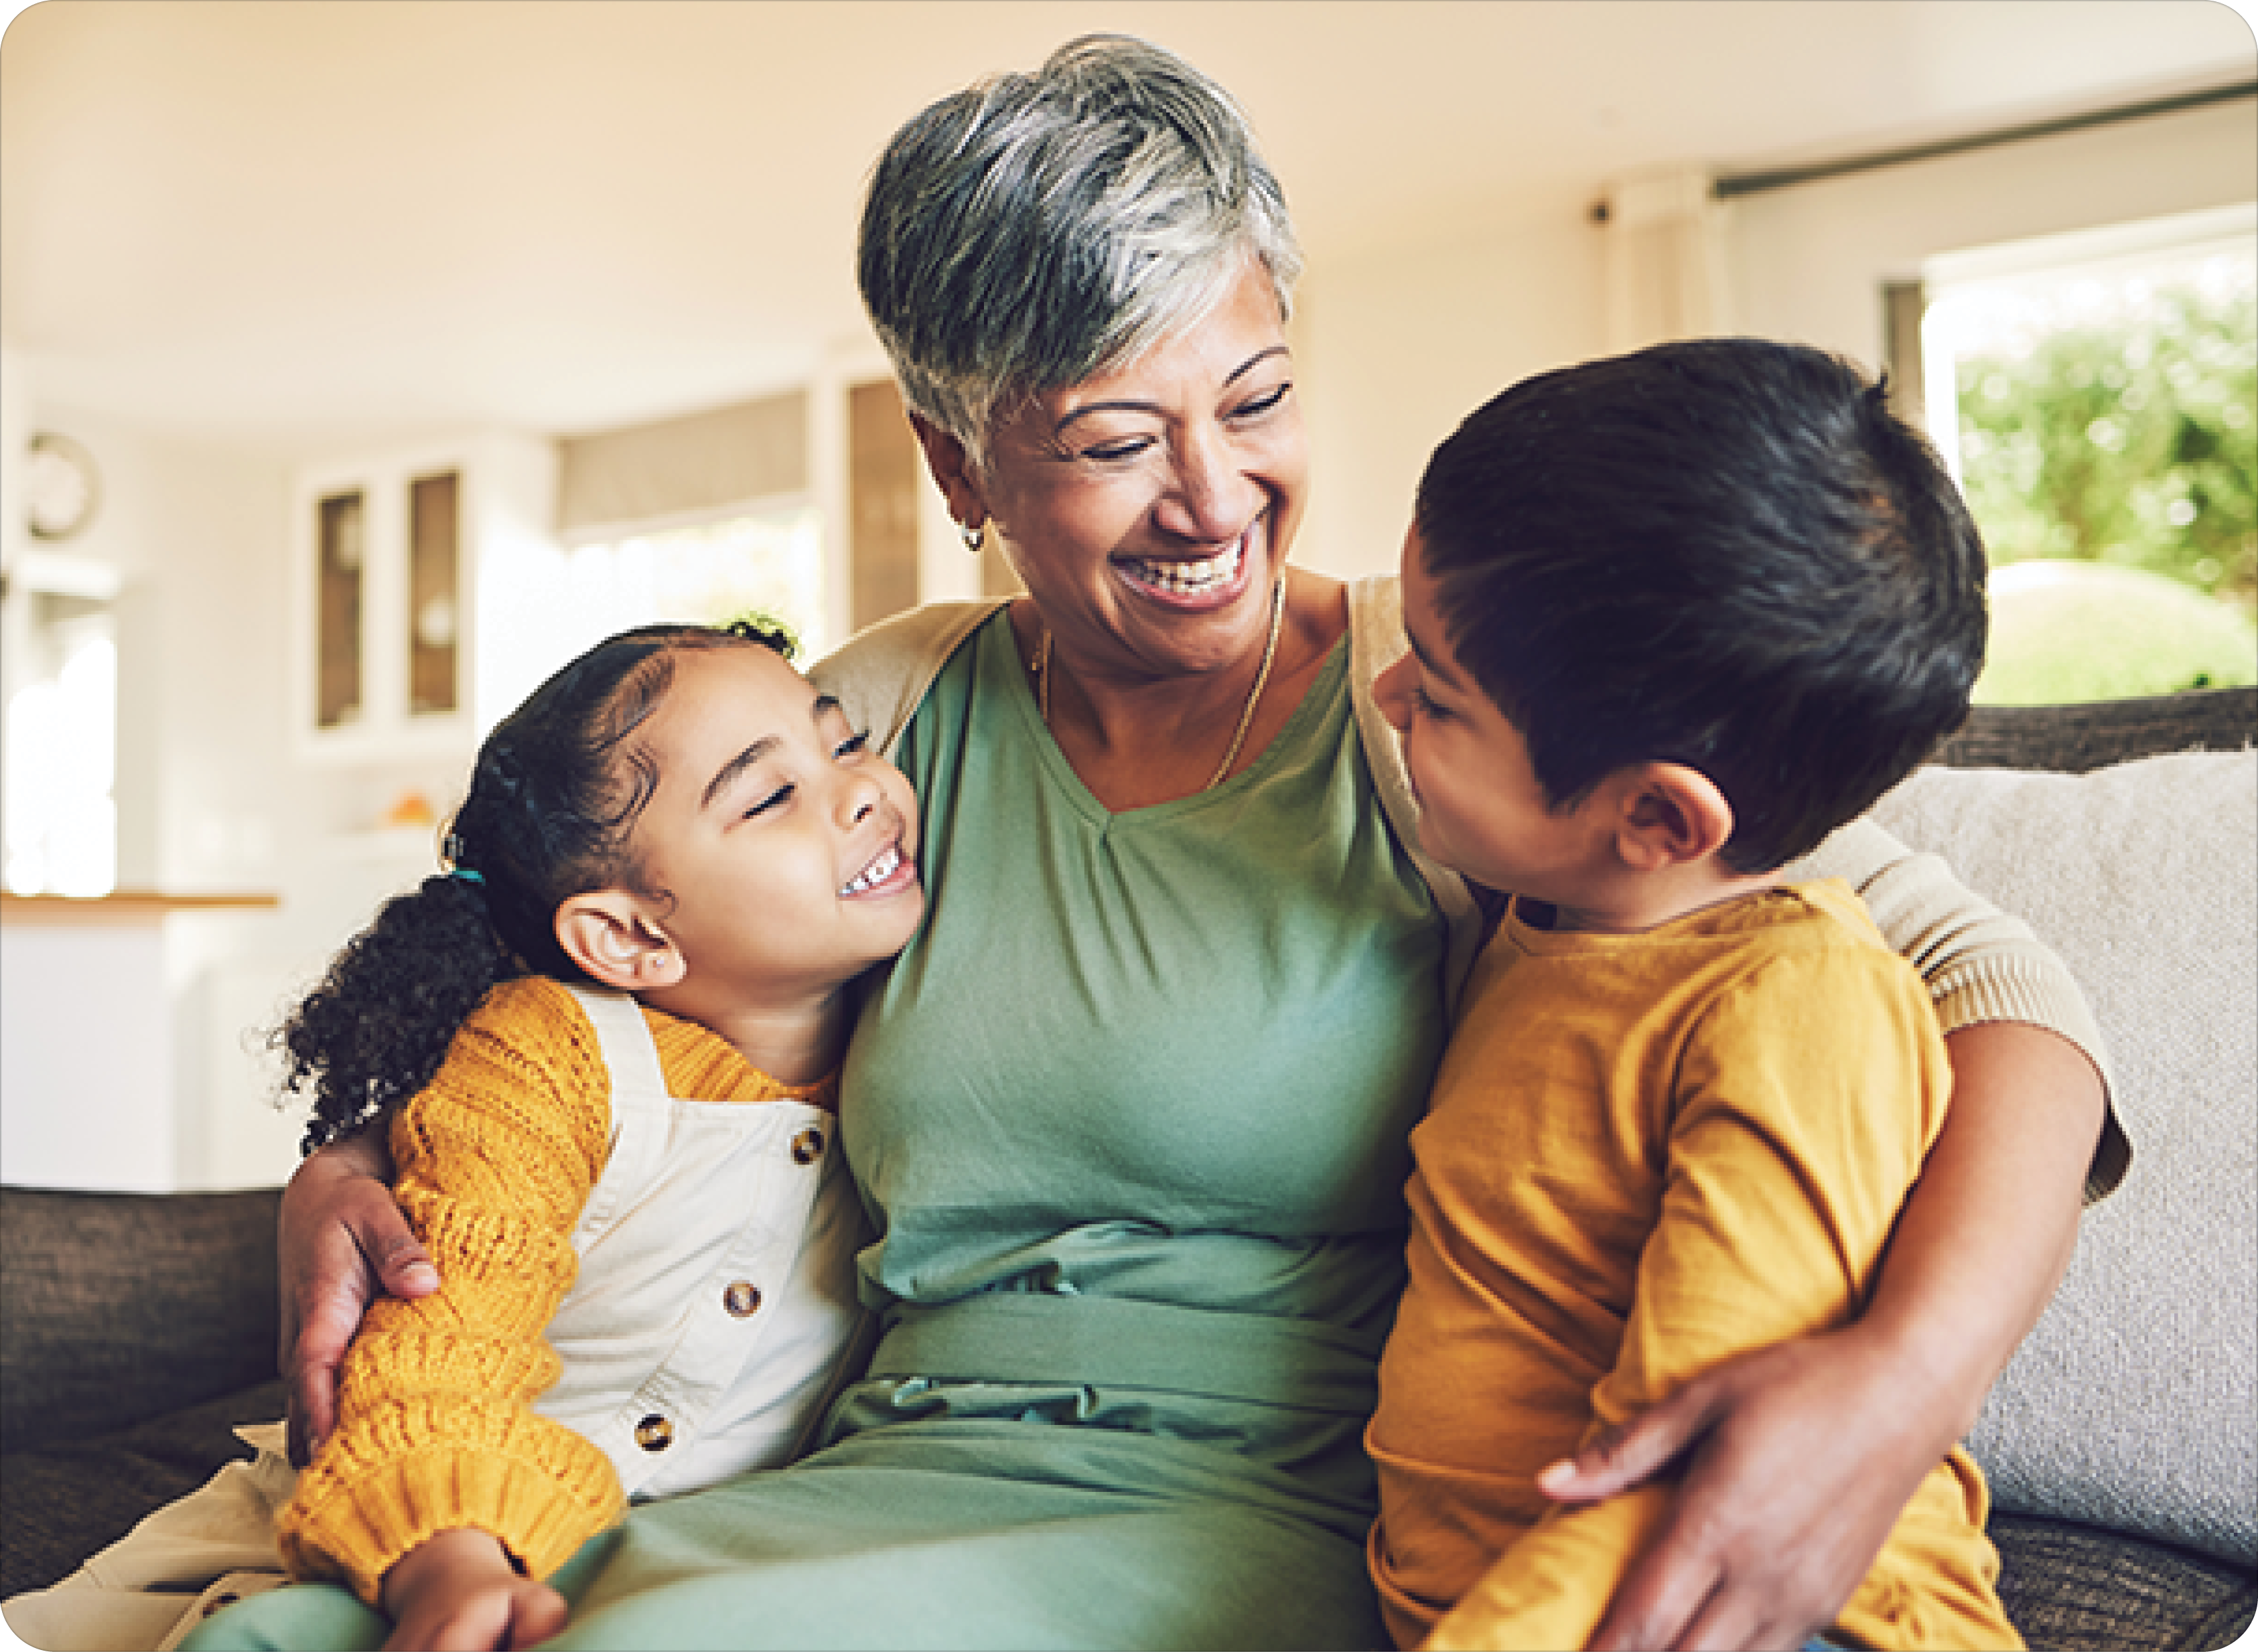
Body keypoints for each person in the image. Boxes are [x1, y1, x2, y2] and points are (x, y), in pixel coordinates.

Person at [212, 35, 2123, 1652]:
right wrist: (359, 1165)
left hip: (1235, 1526)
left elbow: (1985, 989)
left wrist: (1896, 1390)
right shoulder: (879, 720)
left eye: (1259, 397)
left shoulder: (1457, 714)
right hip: (869, 1472)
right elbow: (619, 955)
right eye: (1117, 436)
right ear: (960, 470)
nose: (1215, 496)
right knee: (294, 1622)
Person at [7, 619, 924, 1652]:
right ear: (626, 935)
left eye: (845, 743)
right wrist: (446, 1555)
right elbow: (440, 1348)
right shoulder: (548, 1054)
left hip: (643, 1574)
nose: (861, 791)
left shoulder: (910, 1036)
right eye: (770, 797)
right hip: (354, 1545)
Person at [1366, 339, 2022, 1650]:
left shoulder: (1793, 1005)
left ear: (1657, 817)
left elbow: (1694, 1472)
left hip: (1753, 1613)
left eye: (1435, 699)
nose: (1380, 696)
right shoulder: (1544, 924)